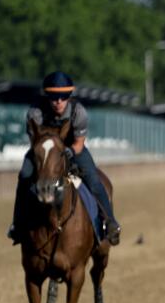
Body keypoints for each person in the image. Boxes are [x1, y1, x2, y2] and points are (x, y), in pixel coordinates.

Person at [8, 71, 121, 246]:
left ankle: (110, 222)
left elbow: (79, 143)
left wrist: (68, 153)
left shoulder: (78, 112)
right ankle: (18, 224)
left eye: (63, 96)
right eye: (54, 97)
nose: (58, 101)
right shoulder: (35, 113)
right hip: (45, 151)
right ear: (47, 96)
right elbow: (36, 144)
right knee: (24, 176)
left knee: (94, 180)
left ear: (69, 96)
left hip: (73, 149)